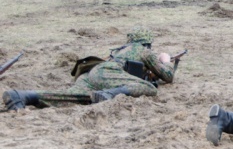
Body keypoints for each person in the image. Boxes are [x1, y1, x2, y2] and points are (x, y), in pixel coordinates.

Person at [2, 28, 180, 110]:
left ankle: (25, 96)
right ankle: (110, 94)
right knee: (148, 88)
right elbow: (168, 77)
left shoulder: (120, 51)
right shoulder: (142, 50)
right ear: (147, 43)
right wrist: (164, 60)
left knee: (75, 98)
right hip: (109, 75)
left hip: (91, 73)